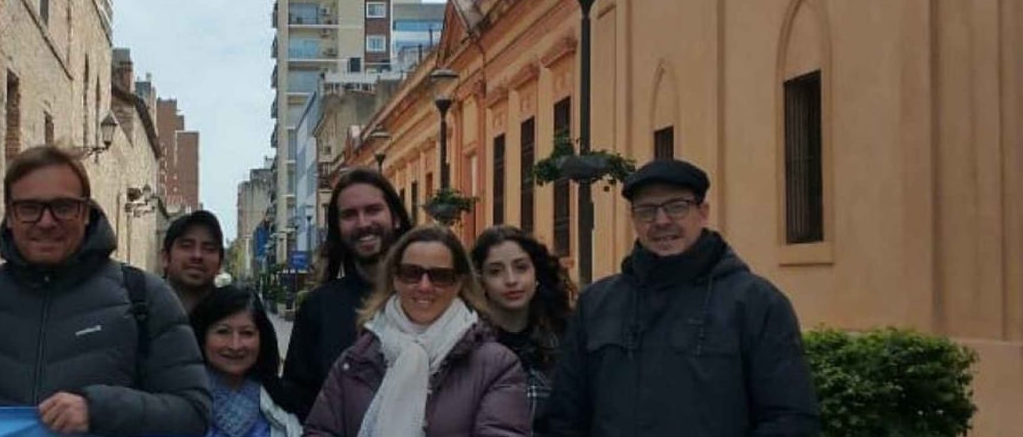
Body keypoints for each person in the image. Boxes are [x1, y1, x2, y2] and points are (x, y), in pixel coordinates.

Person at [538, 158, 820, 436]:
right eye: (647, 211)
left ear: (703, 211)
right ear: (634, 220)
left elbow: (790, 420)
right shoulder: (597, 304)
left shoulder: (757, 303)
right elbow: (565, 416)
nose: (661, 221)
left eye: (677, 207)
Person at [0, 145, 210, 435]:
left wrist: (99, 410)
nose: (46, 222)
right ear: (9, 215)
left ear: (85, 213)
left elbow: (193, 413)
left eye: (63, 207)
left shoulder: (144, 297)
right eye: (30, 208)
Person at [303, 225, 530, 437]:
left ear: (458, 283)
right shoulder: (355, 361)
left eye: (440, 276)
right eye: (411, 273)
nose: (424, 286)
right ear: (395, 277)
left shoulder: (496, 366)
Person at [281, 168, 411, 420]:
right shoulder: (318, 307)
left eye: (373, 210)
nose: (363, 223)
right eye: (350, 215)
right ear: (338, 228)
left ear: (395, 217)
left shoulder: (430, 296)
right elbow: (301, 401)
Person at [471, 226, 575, 424]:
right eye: (495, 272)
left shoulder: (567, 340)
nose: (511, 280)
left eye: (521, 267)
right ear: (481, 281)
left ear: (537, 273)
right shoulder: (468, 345)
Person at [189, 286, 302, 437]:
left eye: (247, 333)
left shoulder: (285, 404)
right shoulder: (178, 402)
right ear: (202, 336)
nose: (235, 345)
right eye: (223, 331)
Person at [162, 210, 226, 314]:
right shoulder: (138, 313)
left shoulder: (232, 319)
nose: (197, 255)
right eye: (186, 246)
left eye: (209, 248)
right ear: (165, 257)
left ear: (220, 262)